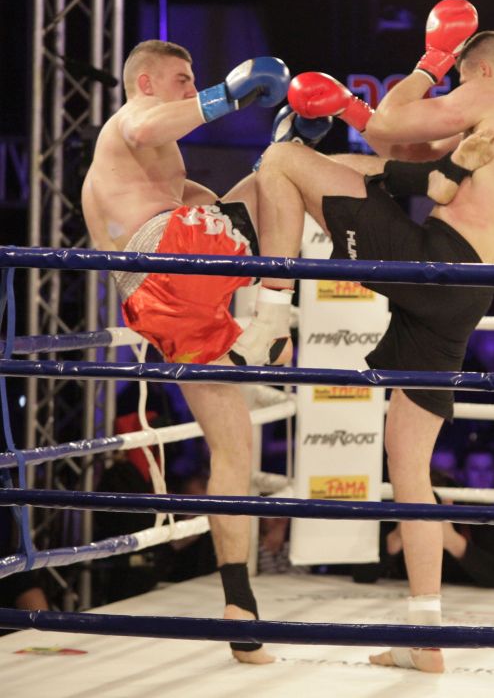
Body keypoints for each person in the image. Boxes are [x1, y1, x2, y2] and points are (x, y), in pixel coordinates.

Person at [241, 0, 494, 671]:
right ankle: (426, 638)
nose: (453, 91)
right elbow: (403, 150)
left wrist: (431, 60)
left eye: (458, 78)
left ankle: (270, 321)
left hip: (436, 263)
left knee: (281, 161)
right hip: (468, 292)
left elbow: (394, 120)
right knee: (409, 464)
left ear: (481, 70)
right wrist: (351, 111)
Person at [81, 39, 299, 663]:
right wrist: (228, 97)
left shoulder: (155, 167)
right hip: (167, 260)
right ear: (146, 82)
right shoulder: (130, 122)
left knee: (234, 449)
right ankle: (273, 318)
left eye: (196, 78)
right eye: (182, 77)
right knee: (287, 170)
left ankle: (240, 608)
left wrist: (278, 148)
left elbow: (224, 207)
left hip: (165, 301)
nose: (191, 85)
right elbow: (146, 125)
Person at [384, 468, 494, 588]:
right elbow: (372, 572)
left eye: (432, 502)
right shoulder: (394, 512)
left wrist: (452, 541)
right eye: (424, 504)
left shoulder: (476, 513)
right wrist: (398, 536)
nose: (428, 511)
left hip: (465, 594)